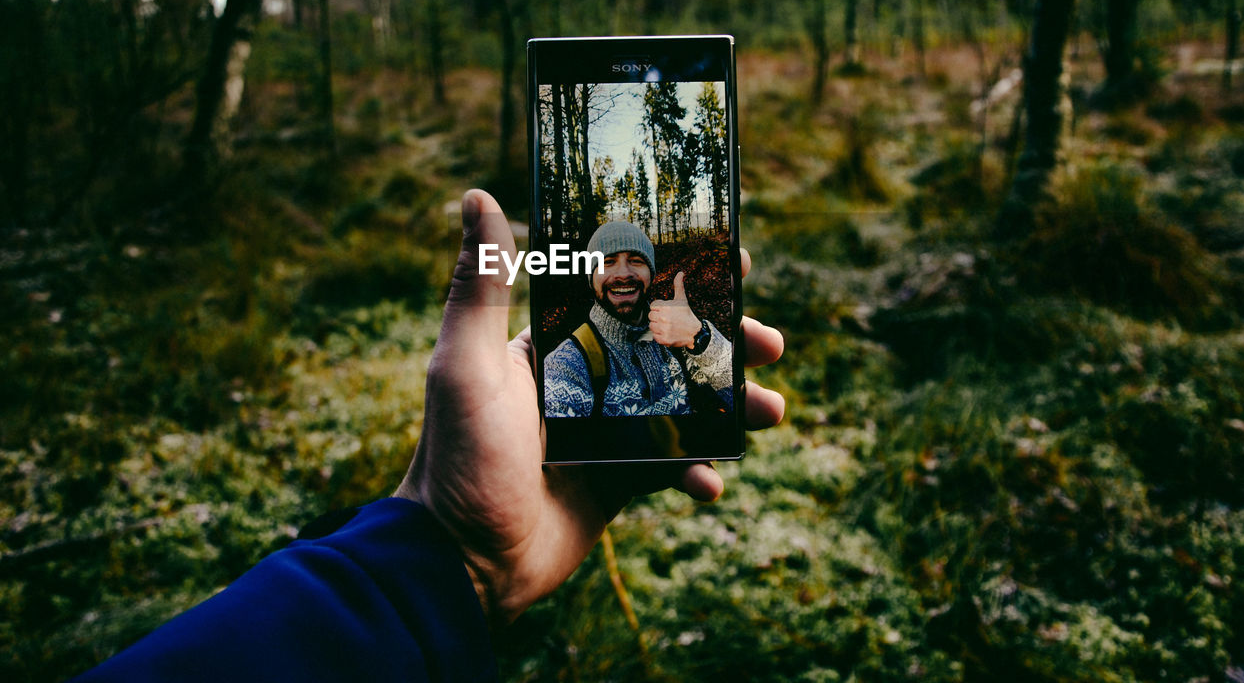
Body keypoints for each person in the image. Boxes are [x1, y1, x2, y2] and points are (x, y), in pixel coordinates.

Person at [75, 190, 785, 682]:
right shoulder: (566, 354)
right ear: (595, 277)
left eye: (638, 261)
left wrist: (699, 345)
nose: (626, 273)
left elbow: (702, 390)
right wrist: (455, 554)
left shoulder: (676, 335)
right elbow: (594, 401)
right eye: (612, 262)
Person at [543, 220, 732, 418]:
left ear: (651, 273)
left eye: (636, 260)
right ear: (591, 278)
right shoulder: (567, 365)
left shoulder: (681, 339)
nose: (623, 274)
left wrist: (700, 337)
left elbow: (741, 403)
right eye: (608, 262)